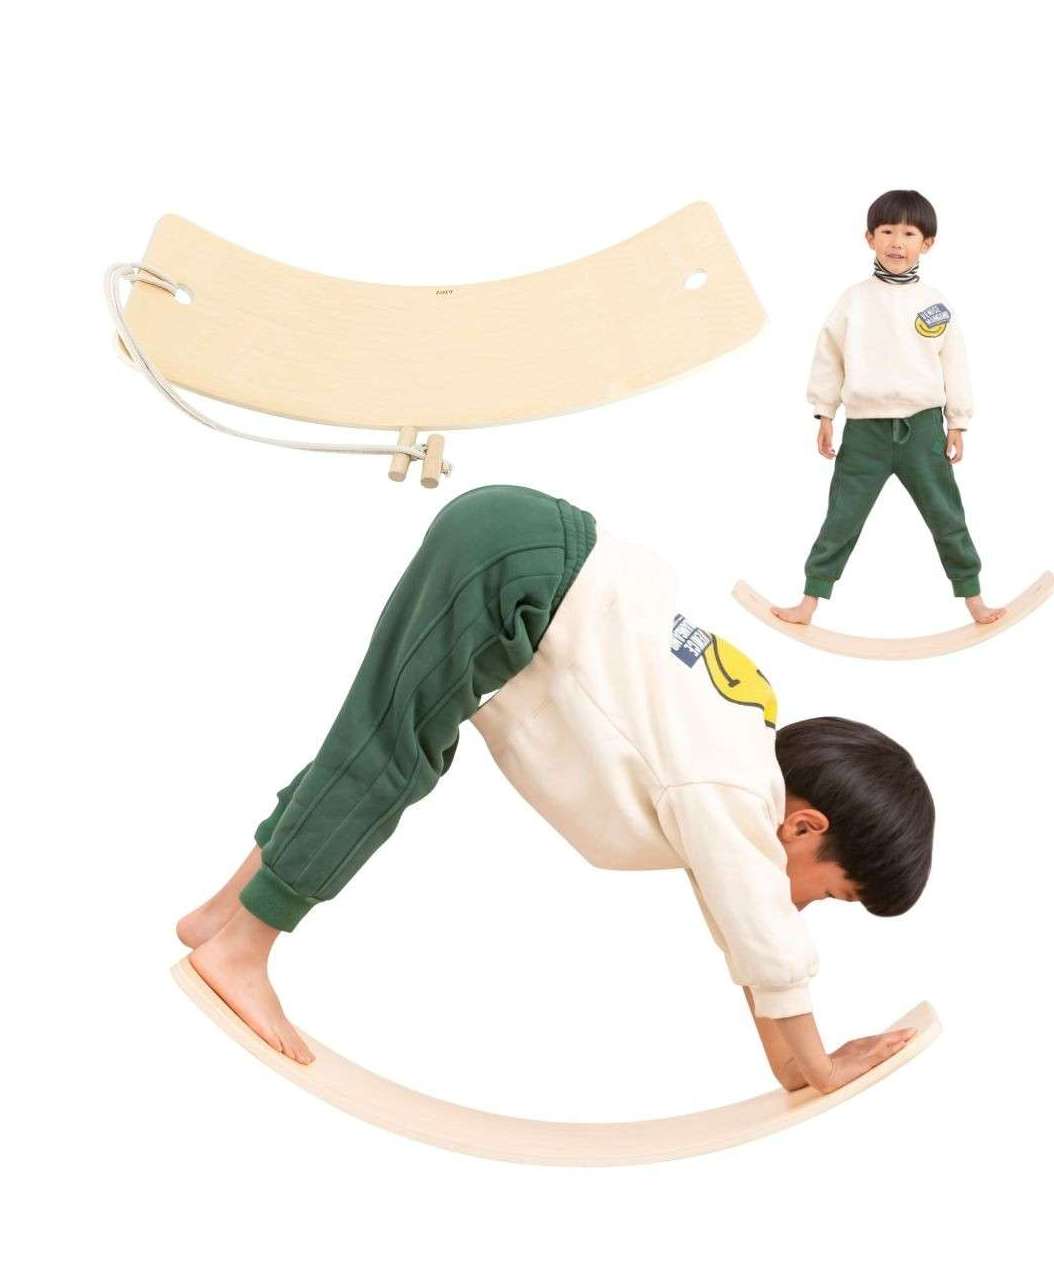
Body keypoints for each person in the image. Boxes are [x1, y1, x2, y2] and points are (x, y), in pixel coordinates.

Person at [179, 485, 932, 1091]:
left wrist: (793, 1070)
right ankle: (241, 948)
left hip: (527, 549)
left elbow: (743, 929)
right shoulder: (732, 788)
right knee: (387, 758)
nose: (802, 906)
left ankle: (224, 916)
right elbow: (765, 936)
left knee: (382, 746)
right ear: (805, 827)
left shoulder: (733, 763)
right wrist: (822, 1066)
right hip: (523, 568)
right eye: (829, 894)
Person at [773, 188, 1005, 627]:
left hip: (923, 429)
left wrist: (958, 422)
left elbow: (954, 363)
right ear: (870, 238)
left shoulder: (934, 303)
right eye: (887, 232)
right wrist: (825, 413)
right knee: (842, 517)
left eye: (909, 233)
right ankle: (809, 600)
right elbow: (829, 357)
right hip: (865, 432)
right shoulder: (853, 300)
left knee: (946, 514)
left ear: (927, 243)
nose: (897, 243)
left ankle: (973, 596)